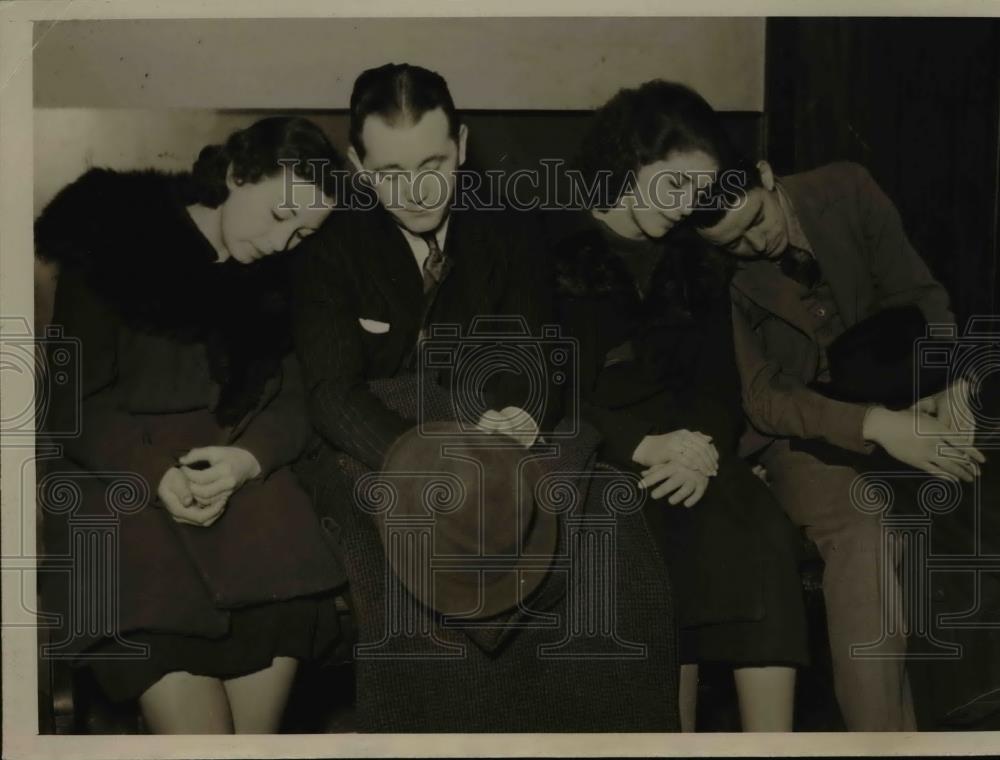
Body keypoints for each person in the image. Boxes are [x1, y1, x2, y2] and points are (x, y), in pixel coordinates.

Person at [35, 117, 347, 734]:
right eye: (281, 216)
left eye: (305, 232)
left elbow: (297, 396)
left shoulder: (278, 279)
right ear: (237, 174)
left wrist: (248, 460)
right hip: (123, 484)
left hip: (242, 490)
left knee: (251, 741)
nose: (287, 243)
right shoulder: (112, 240)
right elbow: (73, 407)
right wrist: (154, 474)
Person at [547, 80, 809, 732]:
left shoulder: (694, 260)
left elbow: (721, 387)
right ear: (626, 165)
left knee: (760, 529)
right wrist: (646, 446)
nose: (687, 206)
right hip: (598, 453)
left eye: (699, 192)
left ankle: (772, 747)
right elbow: (547, 394)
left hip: (691, 451)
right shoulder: (548, 250)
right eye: (673, 186)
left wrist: (702, 449)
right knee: (656, 544)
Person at [692, 156, 983, 730]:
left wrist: (952, 377)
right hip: (796, 433)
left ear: (766, 174)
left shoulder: (846, 189)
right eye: (735, 244)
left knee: (971, 493)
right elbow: (766, 399)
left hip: (902, 394)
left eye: (756, 219)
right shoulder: (708, 264)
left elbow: (919, 293)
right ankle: (881, 741)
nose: (755, 243)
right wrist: (876, 424)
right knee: (864, 532)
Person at [292, 62, 558, 473]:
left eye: (433, 166)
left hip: (486, 431)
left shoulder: (513, 227)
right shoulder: (327, 245)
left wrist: (518, 414)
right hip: (374, 448)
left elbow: (534, 351)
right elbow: (333, 396)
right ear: (359, 168)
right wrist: (428, 461)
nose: (417, 194)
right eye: (390, 175)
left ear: (462, 146)